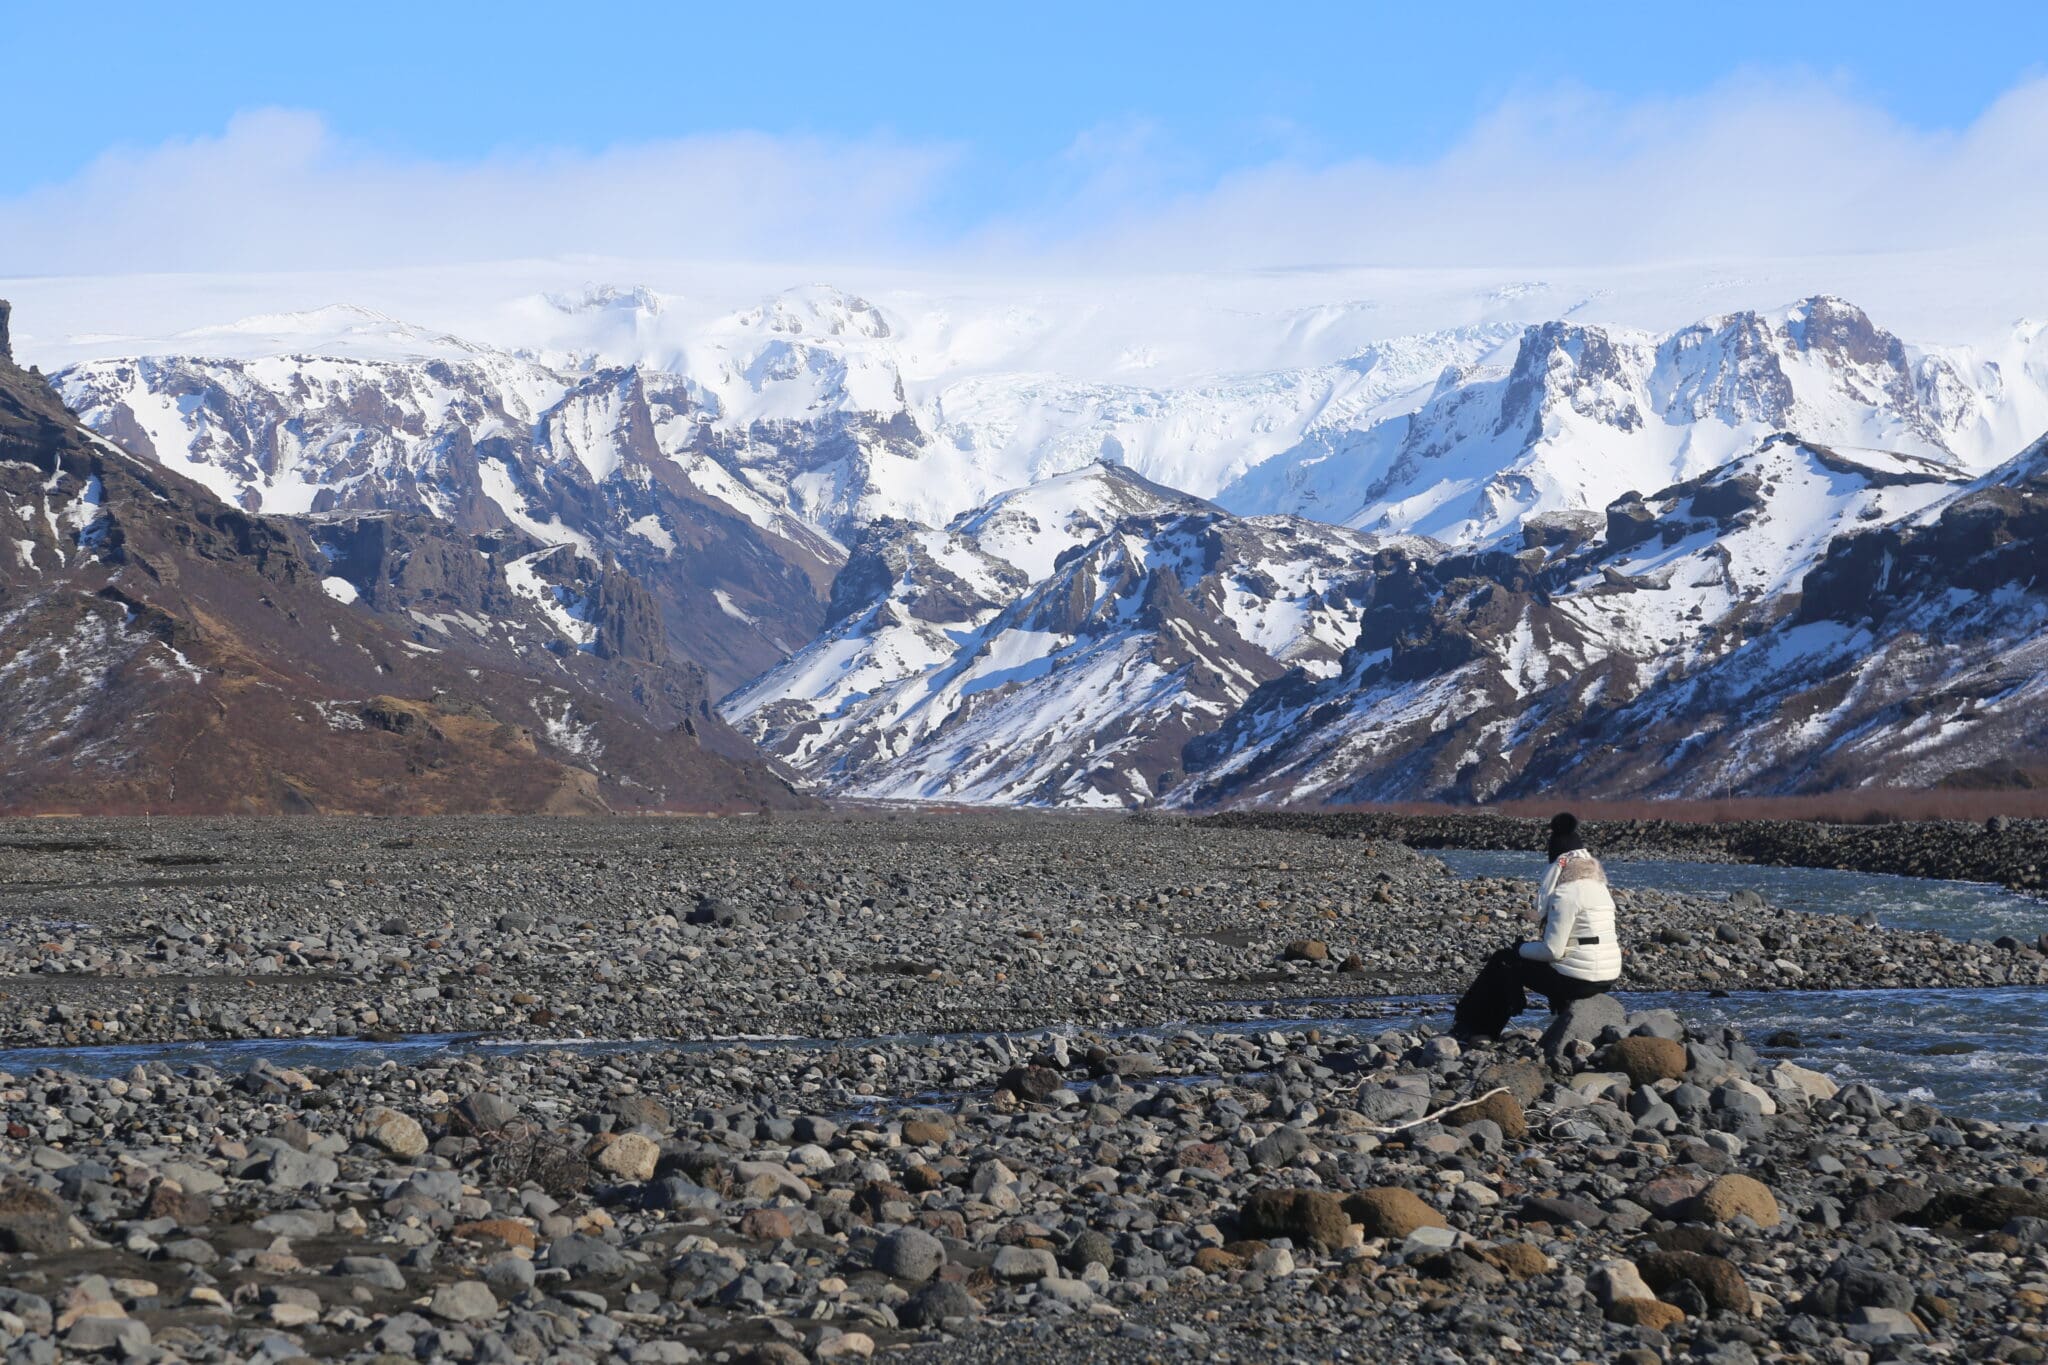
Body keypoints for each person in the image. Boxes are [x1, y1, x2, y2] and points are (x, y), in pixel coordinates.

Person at [1452, 812, 1622, 1040]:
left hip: (1580, 980)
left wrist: (1520, 949)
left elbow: (1553, 950)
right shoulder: (1600, 888)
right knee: (1548, 960)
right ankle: (1562, 1017)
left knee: (1503, 961)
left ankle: (1475, 1028)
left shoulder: (1567, 893)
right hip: (1607, 976)